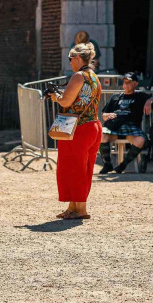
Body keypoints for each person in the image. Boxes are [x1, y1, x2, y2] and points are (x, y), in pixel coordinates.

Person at [46, 43, 102, 219]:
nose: (70, 62)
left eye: (71, 59)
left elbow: (66, 102)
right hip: (92, 126)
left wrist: (55, 97)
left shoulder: (78, 76)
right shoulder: (93, 76)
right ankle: (73, 207)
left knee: (72, 168)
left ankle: (81, 209)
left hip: (77, 128)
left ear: (78, 58)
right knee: (83, 168)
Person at [98, 72, 153, 174]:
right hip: (114, 127)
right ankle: (107, 164)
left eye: (129, 82)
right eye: (125, 82)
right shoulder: (115, 97)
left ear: (136, 83)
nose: (126, 84)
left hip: (131, 127)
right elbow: (104, 114)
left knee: (141, 140)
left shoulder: (140, 96)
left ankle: (123, 165)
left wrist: (149, 101)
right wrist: (107, 116)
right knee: (100, 135)